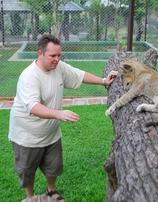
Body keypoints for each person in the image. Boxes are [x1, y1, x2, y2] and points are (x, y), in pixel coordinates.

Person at [8, 34, 118, 202]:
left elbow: (79, 75)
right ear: (40, 54)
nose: (57, 59)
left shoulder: (58, 67)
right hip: (27, 136)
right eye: (53, 55)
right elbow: (33, 107)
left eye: (59, 55)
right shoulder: (29, 76)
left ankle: (51, 191)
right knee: (27, 171)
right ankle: (30, 198)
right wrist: (59, 114)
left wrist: (104, 81)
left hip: (51, 133)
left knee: (54, 166)